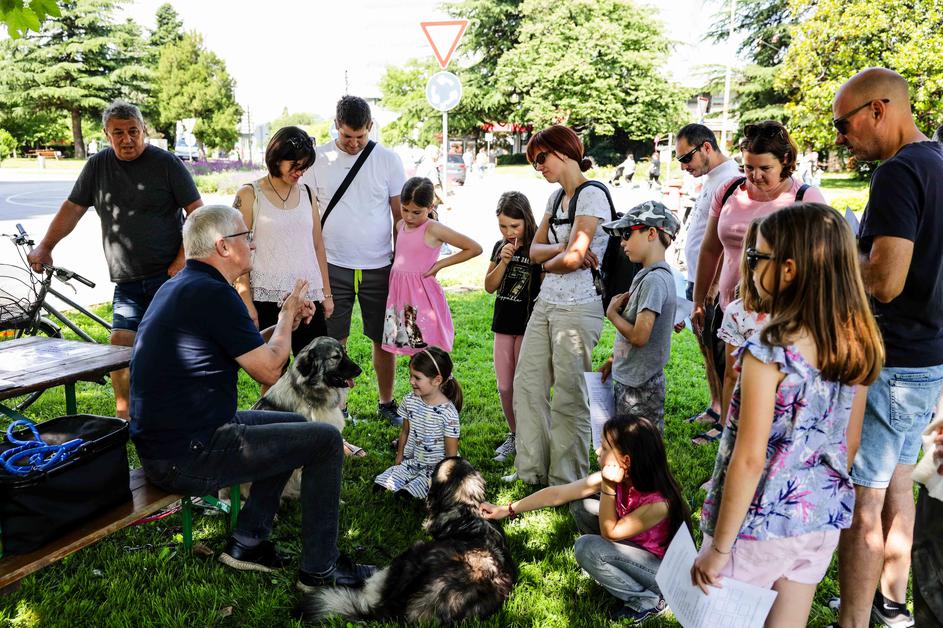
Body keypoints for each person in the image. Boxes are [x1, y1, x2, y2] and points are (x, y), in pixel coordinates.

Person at [129, 204, 375, 592]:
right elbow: (268, 369)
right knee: (326, 440)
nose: (254, 243)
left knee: (290, 426)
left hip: (177, 442)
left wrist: (285, 323)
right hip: (186, 454)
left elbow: (249, 350)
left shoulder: (188, 285)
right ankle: (321, 570)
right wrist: (288, 315)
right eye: (246, 236)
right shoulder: (212, 293)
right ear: (223, 246)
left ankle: (249, 541)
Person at [691, 203, 883, 628]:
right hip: (818, 519)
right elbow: (849, 444)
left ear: (790, 269)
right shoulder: (855, 343)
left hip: (757, 522)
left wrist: (719, 549)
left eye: (758, 257)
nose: (750, 267)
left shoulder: (768, 348)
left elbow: (749, 457)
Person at [830, 68, 943, 628]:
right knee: (900, 485)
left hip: (894, 361)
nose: (839, 139)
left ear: (878, 110)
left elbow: (886, 280)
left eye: (843, 125)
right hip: (928, 361)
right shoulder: (939, 161)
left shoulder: (899, 172)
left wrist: (838, 251)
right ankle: (891, 604)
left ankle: (851, 620)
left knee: (863, 505)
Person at [27, 100, 203, 419]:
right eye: (118, 133)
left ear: (143, 130)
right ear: (107, 135)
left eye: (133, 131)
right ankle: (125, 413)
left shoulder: (167, 164)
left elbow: (197, 214)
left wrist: (182, 258)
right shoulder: (98, 166)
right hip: (127, 279)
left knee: (172, 347)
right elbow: (73, 209)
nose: (127, 139)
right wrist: (45, 246)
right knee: (120, 345)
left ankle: (181, 411)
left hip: (169, 276)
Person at [481, 416, 692, 622]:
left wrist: (608, 488)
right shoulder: (622, 477)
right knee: (581, 505)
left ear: (625, 461)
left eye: (605, 448)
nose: (598, 451)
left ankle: (650, 599)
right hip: (635, 550)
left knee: (586, 547)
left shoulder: (658, 504)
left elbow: (610, 532)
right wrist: (507, 509)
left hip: (662, 575)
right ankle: (608, 566)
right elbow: (558, 494)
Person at [691, 121, 826, 436]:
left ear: (786, 162)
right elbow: (710, 249)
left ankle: (758, 452)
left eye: (764, 167)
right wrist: (700, 300)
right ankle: (727, 438)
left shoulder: (805, 197)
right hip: (732, 309)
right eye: (748, 166)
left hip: (780, 316)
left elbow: (821, 262)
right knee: (730, 377)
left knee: (768, 390)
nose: (754, 175)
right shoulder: (728, 191)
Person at [511, 125, 611, 486]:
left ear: (564, 151)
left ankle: (565, 479)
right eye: (534, 162)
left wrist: (561, 256)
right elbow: (535, 252)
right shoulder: (555, 201)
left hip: (580, 306)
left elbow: (575, 258)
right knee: (528, 385)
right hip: (547, 302)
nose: (539, 168)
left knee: (570, 394)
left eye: (541, 158)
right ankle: (531, 470)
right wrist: (562, 250)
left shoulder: (593, 195)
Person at [300, 96, 406, 425]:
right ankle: (338, 406)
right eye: (347, 136)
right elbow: (309, 216)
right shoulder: (318, 160)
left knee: (384, 340)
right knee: (335, 341)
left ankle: (386, 402)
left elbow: (399, 216)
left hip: (380, 264)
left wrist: (402, 264)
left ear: (370, 128)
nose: (354, 143)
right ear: (336, 125)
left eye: (361, 136)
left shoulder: (388, 160)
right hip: (332, 264)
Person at [232, 126, 331, 362]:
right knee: (274, 374)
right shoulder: (249, 194)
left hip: (308, 299)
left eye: (304, 167)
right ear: (277, 157)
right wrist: (246, 302)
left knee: (316, 371)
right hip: (266, 298)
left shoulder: (307, 194)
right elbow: (237, 250)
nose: (300, 173)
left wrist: (326, 293)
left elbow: (317, 245)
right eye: (295, 165)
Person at [674, 124, 741, 430]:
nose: (684, 166)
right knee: (704, 347)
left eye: (686, 158)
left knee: (718, 353)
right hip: (697, 280)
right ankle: (715, 406)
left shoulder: (730, 180)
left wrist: (711, 287)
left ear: (706, 148)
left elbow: (726, 241)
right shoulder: (712, 179)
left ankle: (724, 419)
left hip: (713, 285)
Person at [597, 201, 680, 433]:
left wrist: (612, 314)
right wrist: (614, 361)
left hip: (641, 387)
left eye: (626, 233)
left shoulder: (654, 281)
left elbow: (640, 336)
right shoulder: (647, 276)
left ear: (651, 232)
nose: (622, 242)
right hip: (632, 379)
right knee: (625, 448)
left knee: (637, 453)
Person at [380, 177, 482, 358]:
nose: (409, 216)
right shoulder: (400, 225)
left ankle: (441, 384)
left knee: (427, 348)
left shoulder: (433, 228)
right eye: (405, 210)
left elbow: (474, 248)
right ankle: (420, 384)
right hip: (402, 297)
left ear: (430, 208)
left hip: (421, 296)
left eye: (416, 212)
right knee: (412, 346)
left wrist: (440, 264)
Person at [693, 220, 768, 446]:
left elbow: (731, 375)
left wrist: (725, 425)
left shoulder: (737, 310)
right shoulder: (808, 314)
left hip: (744, 409)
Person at [484, 191, 542, 463]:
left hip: (529, 324)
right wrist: (504, 260)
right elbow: (489, 286)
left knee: (524, 385)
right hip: (504, 324)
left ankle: (530, 436)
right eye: (502, 226)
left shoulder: (538, 247)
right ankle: (514, 434)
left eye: (514, 226)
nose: (508, 232)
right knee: (505, 386)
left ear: (527, 221)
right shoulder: (500, 247)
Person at [375, 347, 462, 499]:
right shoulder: (410, 400)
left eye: (417, 378)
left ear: (437, 380)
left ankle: (417, 488)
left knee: (408, 494)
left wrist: (447, 479)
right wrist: (400, 456)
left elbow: (451, 454)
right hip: (413, 460)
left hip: (436, 467)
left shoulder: (448, 413)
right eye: (410, 376)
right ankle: (405, 480)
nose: (411, 381)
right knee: (381, 483)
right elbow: (405, 431)